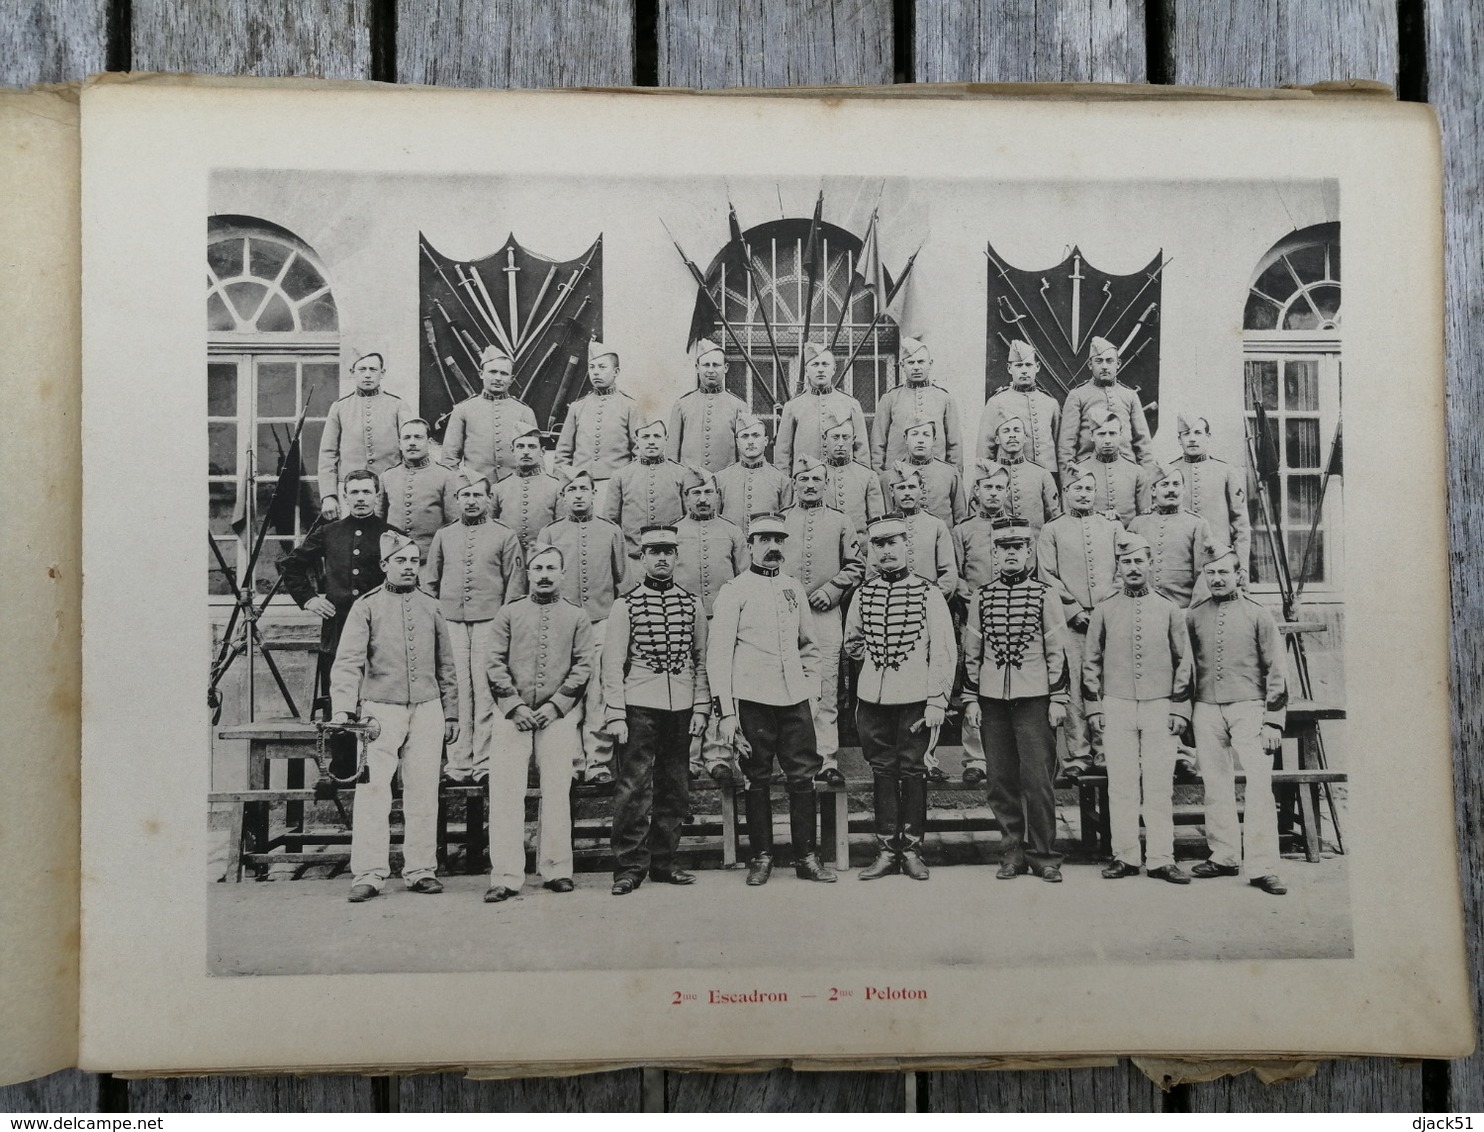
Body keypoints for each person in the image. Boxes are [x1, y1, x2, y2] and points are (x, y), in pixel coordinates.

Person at [330, 531, 458, 902]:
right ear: (385, 565)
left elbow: (446, 665)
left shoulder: (431, 606)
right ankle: (369, 873)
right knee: (372, 792)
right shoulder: (367, 606)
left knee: (422, 791)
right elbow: (349, 661)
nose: (408, 567)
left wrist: (451, 714)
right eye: (400, 561)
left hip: (427, 708)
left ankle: (420, 870)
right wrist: (343, 708)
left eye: (414, 561)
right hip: (378, 712)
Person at [708, 514, 835, 886]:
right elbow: (718, 654)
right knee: (756, 777)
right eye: (764, 539)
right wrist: (726, 713)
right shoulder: (735, 589)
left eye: (779, 539)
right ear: (750, 546)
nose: (773, 546)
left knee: (803, 778)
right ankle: (761, 857)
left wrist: (810, 694)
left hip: (794, 699)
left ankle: (806, 858)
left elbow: (810, 647)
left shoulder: (793, 586)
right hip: (751, 699)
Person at [846, 516, 956, 881]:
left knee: (912, 771)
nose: (887, 551)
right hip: (874, 699)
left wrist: (936, 699)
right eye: (880, 545)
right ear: (872, 551)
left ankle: (911, 849)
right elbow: (853, 642)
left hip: (915, 698)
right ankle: (885, 850)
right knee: (881, 771)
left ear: (906, 546)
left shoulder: (929, 593)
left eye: (894, 543)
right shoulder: (864, 593)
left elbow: (943, 650)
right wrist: (877, 663)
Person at [962, 516, 1071, 883]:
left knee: (1038, 779)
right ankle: (1012, 852)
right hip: (993, 701)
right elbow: (971, 652)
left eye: (1017, 548)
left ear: (1028, 552)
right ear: (994, 554)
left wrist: (1058, 698)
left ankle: (1044, 855)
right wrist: (972, 699)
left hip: (1034, 699)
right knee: (1000, 780)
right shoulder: (983, 595)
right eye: (1003, 548)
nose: (1010, 554)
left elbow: (1058, 651)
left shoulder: (1044, 595)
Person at [604, 526, 711, 894]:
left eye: (668, 551)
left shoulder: (690, 603)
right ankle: (629, 866)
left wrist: (700, 706)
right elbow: (613, 664)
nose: (662, 557)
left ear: (677, 556)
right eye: (654, 551)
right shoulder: (626, 605)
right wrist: (616, 713)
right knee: (633, 787)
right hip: (638, 704)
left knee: (675, 786)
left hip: (680, 705)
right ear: (643, 558)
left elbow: (700, 659)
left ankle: (665, 861)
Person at [1084, 531, 1195, 884]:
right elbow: (1091, 662)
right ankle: (1126, 856)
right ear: (1118, 566)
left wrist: (1179, 708)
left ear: (1150, 564)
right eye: (1126, 561)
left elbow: (1184, 661)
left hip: (1159, 704)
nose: (1133, 567)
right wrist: (1094, 707)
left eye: (1138, 561)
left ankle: (1162, 857)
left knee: (1160, 782)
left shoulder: (1168, 609)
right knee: (1121, 783)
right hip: (1116, 704)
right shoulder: (1104, 609)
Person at [483, 544, 593, 902]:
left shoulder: (577, 616)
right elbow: (494, 662)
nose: (544, 574)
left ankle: (557, 868)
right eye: (538, 568)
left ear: (562, 573)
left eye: (551, 568)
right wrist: (514, 707)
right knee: (505, 793)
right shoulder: (509, 614)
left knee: (558, 791)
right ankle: (505, 875)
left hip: (556, 718)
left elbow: (583, 666)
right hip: (512, 717)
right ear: (529, 573)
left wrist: (556, 706)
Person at [1185, 546, 1290, 895]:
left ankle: (1262, 867)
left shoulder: (1258, 615)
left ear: (1239, 575)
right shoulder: (1194, 615)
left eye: (1223, 573)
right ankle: (1224, 855)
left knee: (1259, 786)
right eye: (1210, 573)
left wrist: (1273, 720)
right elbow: (1185, 667)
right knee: (1215, 784)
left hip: (1250, 708)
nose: (1216, 579)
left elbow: (1277, 669)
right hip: (1206, 708)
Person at [421, 474, 526, 784]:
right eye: (464, 495)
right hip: (451, 622)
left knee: (485, 691)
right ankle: (458, 764)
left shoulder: (504, 536)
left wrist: (505, 624)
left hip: (489, 622)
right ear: (456, 500)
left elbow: (515, 585)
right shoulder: (444, 535)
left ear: (488, 499)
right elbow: (430, 581)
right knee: (456, 692)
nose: (470, 501)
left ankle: (484, 764)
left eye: (477, 495)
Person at [278, 469, 403, 716]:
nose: (360, 497)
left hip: (381, 631)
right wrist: (309, 599)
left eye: (366, 491)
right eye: (354, 492)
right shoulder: (329, 532)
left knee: (381, 707)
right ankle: (342, 755)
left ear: (377, 496)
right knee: (339, 706)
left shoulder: (392, 535)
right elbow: (291, 566)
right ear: (345, 497)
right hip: (338, 630)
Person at [537, 467, 628, 786]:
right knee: (567, 690)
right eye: (571, 490)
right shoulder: (550, 533)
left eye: (584, 489)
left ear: (593, 494)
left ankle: (598, 761)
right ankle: (572, 760)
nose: (578, 495)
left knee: (598, 691)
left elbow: (620, 578)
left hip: (601, 620)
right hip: (564, 623)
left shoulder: (611, 531)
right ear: (563, 496)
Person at [783, 456, 865, 786]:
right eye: (804, 479)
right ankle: (796, 756)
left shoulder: (841, 521)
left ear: (826, 484)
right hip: (787, 616)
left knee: (826, 683)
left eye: (817, 479)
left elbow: (856, 566)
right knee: (790, 682)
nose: (810, 485)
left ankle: (827, 756)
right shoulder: (782, 520)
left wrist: (832, 591)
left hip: (826, 615)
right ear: (795, 483)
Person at [1036, 467, 1122, 778]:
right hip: (1069, 622)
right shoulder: (1052, 530)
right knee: (1072, 687)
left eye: (1089, 488)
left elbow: (1122, 570)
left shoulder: (1111, 527)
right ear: (1066, 493)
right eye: (1077, 488)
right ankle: (1078, 754)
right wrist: (1073, 610)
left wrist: (1103, 610)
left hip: (1106, 619)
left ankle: (1106, 750)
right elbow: (1047, 575)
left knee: (1104, 685)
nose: (1083, 493)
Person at [673, 467, 748, 782]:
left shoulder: (732, 532)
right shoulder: (674, 533)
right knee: (687, 684)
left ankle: (718, 754)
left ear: (717, 495)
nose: (702, 499)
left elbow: (745, 578)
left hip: (722, 621)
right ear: (686, 498)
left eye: (708, 492)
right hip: (684, 619)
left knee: (721, 684)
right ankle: (688, 757)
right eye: (695, 493)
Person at [951, 461, 1014, 785]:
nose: (993, 493)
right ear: (976, 491)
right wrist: (974, 600)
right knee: (974, 683)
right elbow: (957, 575)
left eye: (999, 487)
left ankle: (1005, 755)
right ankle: (975, 757)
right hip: (975, 618)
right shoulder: (963, 531)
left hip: (1014, 616)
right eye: (987, 487)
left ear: (1007, 492)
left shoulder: (1017, 530)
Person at [316, 351, 413, 520]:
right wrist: (329, 495)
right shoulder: (339, 408)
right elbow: (328, 454)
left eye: (373, 369)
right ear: (352, 372)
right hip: (351, 493)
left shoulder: (398, 406)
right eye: (362, 369)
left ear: (382, 373)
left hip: (390, 492)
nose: (367, 375)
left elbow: (411, 450)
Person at [555, 341, 642, 510]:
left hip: (616, 487)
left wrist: (630, 486)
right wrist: (566, 485)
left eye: (602, 367)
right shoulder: (577, 407)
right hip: (580, 487)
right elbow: (563, 453)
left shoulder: (630, 406)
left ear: (616, 372)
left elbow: (639, 453)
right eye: (592, 367)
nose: (596, 372)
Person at [1057, 336, 1155, 478]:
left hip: (1127, 475)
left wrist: (1146, 483)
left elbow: (1143, 444)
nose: (1104, 366)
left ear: (1118, 364)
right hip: (1088, 475)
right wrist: (1070, 484)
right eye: (1099, 361)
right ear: (1090, 365)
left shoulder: (1130, 396)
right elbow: (1066, 448)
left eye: (1109, 361)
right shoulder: (1077, 396)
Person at [441, 344, 539, 484]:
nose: (498, 378)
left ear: (512, 379)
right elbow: (449, 459)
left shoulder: (524, 412)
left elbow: (535, 460)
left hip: (514, 493)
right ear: (481, 374)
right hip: (477, 493)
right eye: (493, 372)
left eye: (504, 373)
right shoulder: (463, 410)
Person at [1129, 464, 1215, 608]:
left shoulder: (1197, 524)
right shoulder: (1138, 524)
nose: (1171, 490)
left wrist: (1193, 611)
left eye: (1176, 484)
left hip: (1182, 609)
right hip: (1142, 608)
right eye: (1165, 485)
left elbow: (1203, 575)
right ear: (1153, 490)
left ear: (1184, 489)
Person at [870, 336, 963, 471]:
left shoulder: (944, 399)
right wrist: (880, 477)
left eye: (921, 362)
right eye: (911, 362)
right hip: (898, 477)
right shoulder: (890, 398)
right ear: (902, 365)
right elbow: (878, 443)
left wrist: (953, 478)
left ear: (930, 364)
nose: (916, 367)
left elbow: (954, 445)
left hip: (935, 475)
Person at [603, 419, 689, 560]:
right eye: (645, 436)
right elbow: (610, 523)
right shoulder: (621, 476)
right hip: (633, 559)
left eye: (657, 436)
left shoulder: (681, 474)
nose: (651, 441)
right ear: (636, 440)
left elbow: (689, 521)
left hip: (672, 559)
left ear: (666, 439)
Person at [774, 342, 868, 471]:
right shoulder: (793, 406)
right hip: (806, 482)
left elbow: (861, 450)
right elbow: (783, 454)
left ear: (834, 369)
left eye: (825, 364)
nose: (820, 369)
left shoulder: (850, 404)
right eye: (815, 364)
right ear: (806, 371)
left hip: (841, 482)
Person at [1176, 414, 1251, 572]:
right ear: (1179, 439)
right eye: (1186, 434)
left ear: (1208, 437)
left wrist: (1241, 566)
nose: (1192, 439)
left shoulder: (1226, 471)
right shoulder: (1169, 472)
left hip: (1218, 561)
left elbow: (1241, 523)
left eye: (1197, 433)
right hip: (1180, 561)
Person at [379, 417, 461, 557]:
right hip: (394, 560)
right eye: (407, 438)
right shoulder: (387, 477)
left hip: (430, 560)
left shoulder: (446, 476)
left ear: (429, 442)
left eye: (418, 437)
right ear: (400, 444)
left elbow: (453, 526)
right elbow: (377, 523)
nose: (412, 443)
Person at [876, 463, 957, 600]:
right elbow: (873, 573)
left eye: (912, 487)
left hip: (929, 604)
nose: (907, 493)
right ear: (891, 490)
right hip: (892, 604)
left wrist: (931, 601)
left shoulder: (937, 525)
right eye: (901, 488)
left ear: (921, 489)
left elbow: (949, 574)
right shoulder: (883, 526)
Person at [979, 339, 1060, 474]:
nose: (1024, 371)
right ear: (1009, 368)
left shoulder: (1050, 403)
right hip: (1012, 476)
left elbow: (1059, 446)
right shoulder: (997, 402)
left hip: (1049, 476)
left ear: (1038, 367)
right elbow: (985, 449)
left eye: (1028, 365)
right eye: (1019, 365)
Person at [668, 338, 748, 473]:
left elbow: (744, 452)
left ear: (726, 368)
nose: (711, 370)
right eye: (706, 365)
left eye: (716, 365)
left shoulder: (738, 406)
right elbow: (672, 454)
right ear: (697, 368)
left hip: (724, 483)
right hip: (690, 484)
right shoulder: (682, 405)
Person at [491, 427, 564, 556]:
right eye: (520, 446)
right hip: (509, 559)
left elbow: (562, 532)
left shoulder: (556, 487)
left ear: (542, 451)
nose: (525, 452)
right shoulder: (499, 488)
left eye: (531, 447)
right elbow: (491, 532)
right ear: (513, 451)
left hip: (544, 561)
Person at [987, 416, 1061, 536]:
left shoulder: (1042, 474)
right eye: (1006, 431)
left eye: (1017, 430)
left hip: (1034, 548)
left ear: (1025, 438)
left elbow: (1055, 519)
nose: (1012, 435)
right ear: (997, 439)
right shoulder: (986, 474)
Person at [885, 418, 967, 527]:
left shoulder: (950, 473)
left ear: (934, 439)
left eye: (926, 435)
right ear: (905, 438)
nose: (920, 440)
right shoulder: (893, 474)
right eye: (914, 434)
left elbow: (960, 519)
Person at [1071, 414, 1150, 527]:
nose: (1107, 440)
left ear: (1120, 435)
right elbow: (1070, 518)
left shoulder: (1136, 471)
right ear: (1092, 436)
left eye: (1112, 434)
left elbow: (1145, 518)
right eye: (1101, 434)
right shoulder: (1078, 472)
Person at [715, 413, 793, 521]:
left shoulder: (782, 481)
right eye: (745, 436)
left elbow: (787, 522)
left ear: (765, 441)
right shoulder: (720, 479)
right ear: (737, 442)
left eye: (756, 435)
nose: (751, 442)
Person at [822, 410, 885, 541]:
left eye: (845, 437)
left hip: (860, 551)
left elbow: (877, 524)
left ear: (853, 440)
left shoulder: (868, 476)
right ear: (824, 439)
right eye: (835, 437)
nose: (840, 443)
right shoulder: (814, 475)